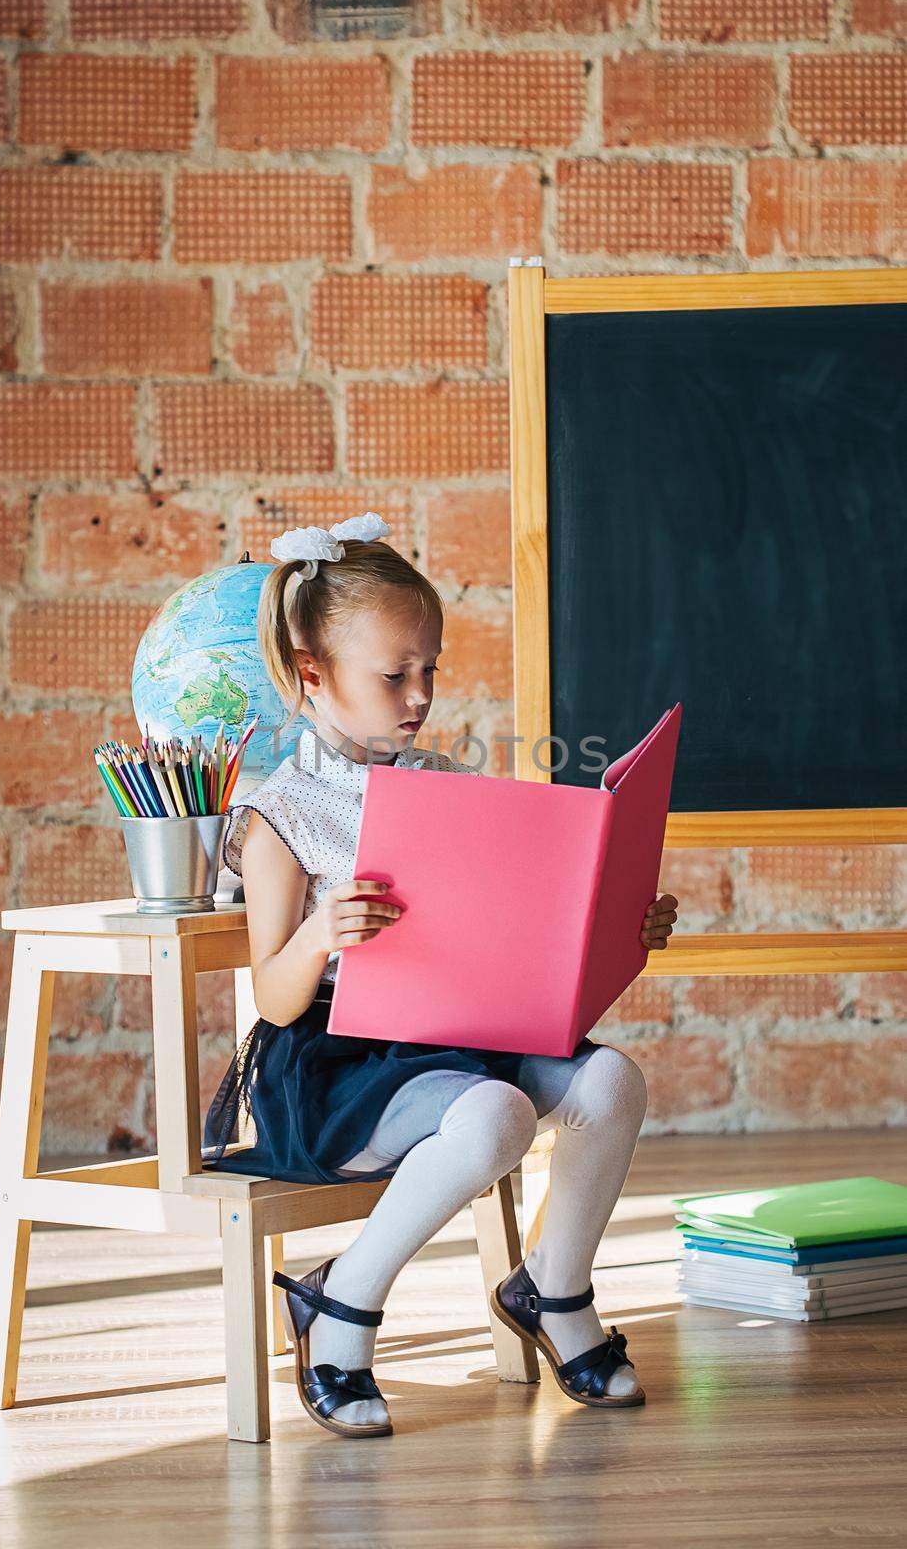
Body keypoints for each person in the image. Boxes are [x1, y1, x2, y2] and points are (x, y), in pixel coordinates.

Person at [201, 512, 678, 1438]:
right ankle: (339, 1307)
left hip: (458, 1034)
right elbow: (270, 995)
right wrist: (317, 937)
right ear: (311, 673)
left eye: (429, 668)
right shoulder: (276, 812)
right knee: (496, 1115)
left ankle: (554, 1287)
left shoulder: (442, 777)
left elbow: (510, 926)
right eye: (393, 675)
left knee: (612, 1079)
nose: (419, 693)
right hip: (339, 1063)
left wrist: (620, 920)